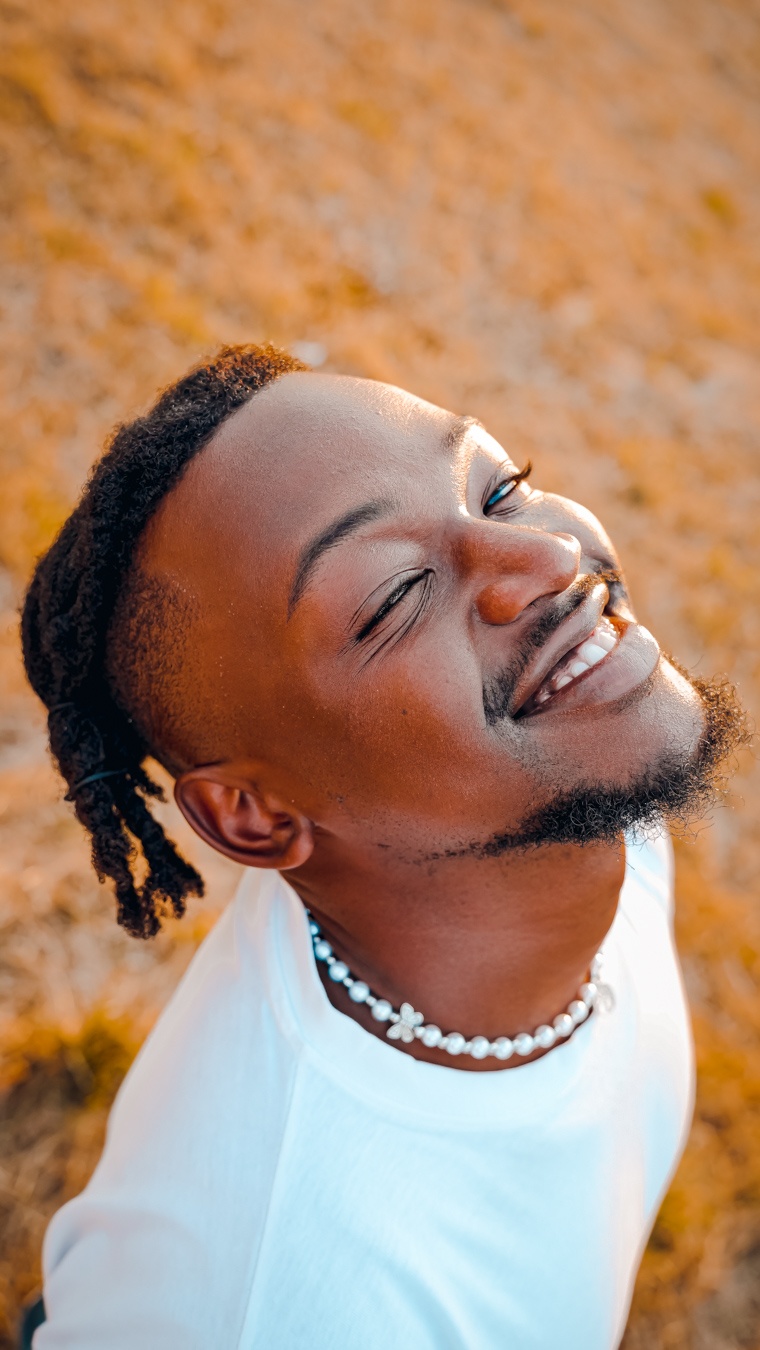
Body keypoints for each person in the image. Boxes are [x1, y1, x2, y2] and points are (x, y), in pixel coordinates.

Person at [21, 345, 747, 1349]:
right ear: (251, 817)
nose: (547, 560)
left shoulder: (571, 777)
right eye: (397, 595)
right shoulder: (287, 1308)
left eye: (500, 489)